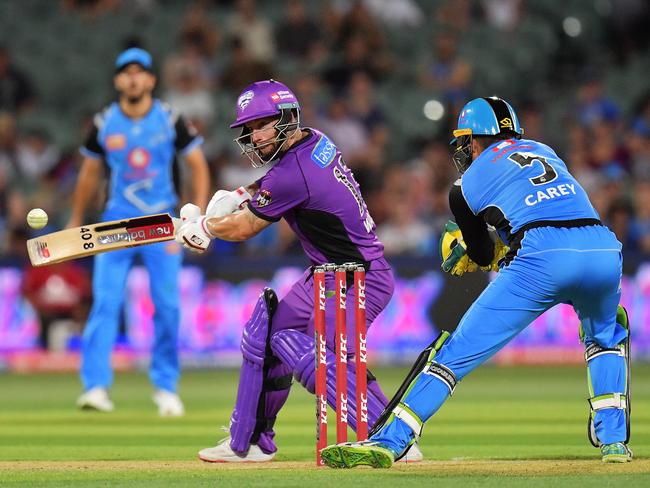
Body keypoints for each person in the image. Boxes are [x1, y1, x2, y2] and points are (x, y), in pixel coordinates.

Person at [319, 96, 632, 467]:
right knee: (606, 337)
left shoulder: (463, 185)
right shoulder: (544, 150)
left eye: (465, 140)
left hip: (541, 256)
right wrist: (504, 247)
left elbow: (483, 255)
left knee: (452, 356)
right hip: (602, 248)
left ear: (474, 140)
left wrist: (474, 248)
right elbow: (544, 209)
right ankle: (614, 442)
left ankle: (391, 440)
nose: (464, 149)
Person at [175, 79, 422, 462]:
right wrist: (240, 194)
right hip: (329, 271)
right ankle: (250, 442)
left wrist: (203, 228)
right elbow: (273, 185)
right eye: (249, 129)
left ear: (288, 118)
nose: (254, 137)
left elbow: (244, 228)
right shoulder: (313, 140)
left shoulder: (296, 173)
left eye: (261, 125)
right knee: (267, 332)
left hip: (358, 278)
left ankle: (395, 440)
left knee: (324, 358)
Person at [69, 48, 210, 416]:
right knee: (105, 303)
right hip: (115, 224)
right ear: (117, 80)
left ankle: (166, 388)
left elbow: (197, 164)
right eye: (126, 73)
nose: (133, 78)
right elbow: (89, 174)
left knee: (167, 306)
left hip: (162, 225)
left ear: (150, 80)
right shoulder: (103, 123)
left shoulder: (169, 119)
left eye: (140, 72)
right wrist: (76, 220)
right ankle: (95, 388)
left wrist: (198, 215)